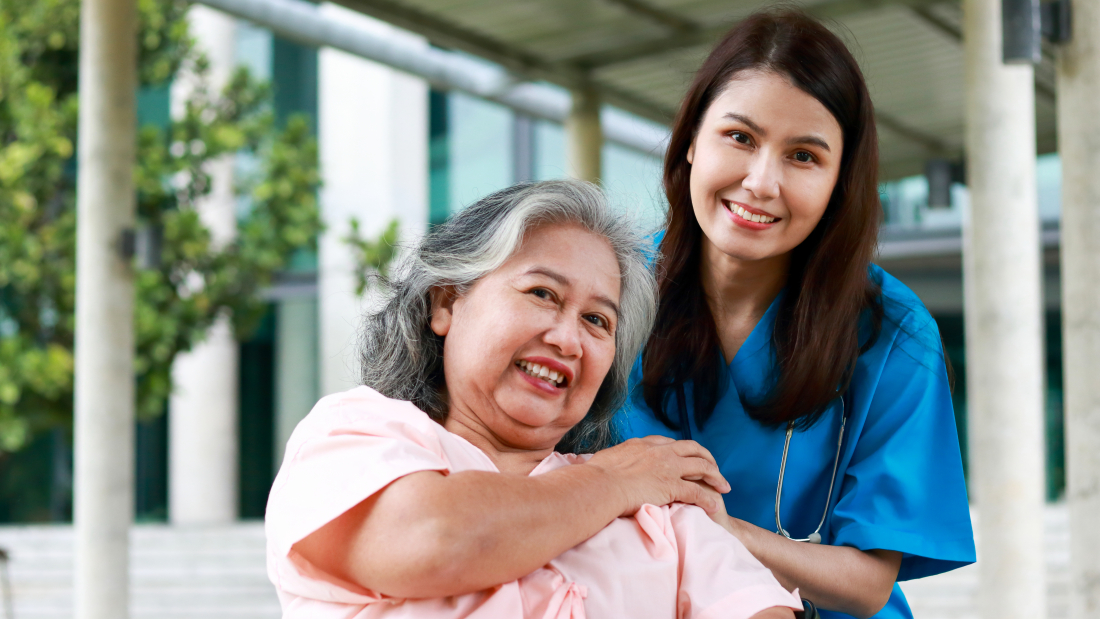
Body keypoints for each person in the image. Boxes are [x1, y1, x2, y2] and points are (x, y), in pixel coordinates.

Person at [265, 180, 804, 619]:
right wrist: (612, 481)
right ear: (447, 303)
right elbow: (432, 539)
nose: (568, 340)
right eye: (542, 293)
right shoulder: (354, 439)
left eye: (597, 320)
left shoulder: (663, 515)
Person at [615, 9, 976, 619]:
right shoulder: (612, 290)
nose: (761, 182)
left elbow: (866, 584)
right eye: (740, 137)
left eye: (803, 156)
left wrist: (716, 531)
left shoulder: (894, 332)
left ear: (841, 181)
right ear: (691, 143)